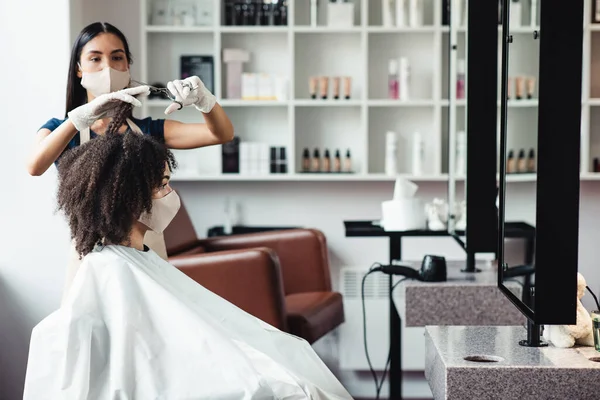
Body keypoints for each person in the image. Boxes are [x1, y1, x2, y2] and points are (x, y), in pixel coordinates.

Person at [22, 129, 352, 400]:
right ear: (129, 196)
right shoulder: (111, 270)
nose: (171, 193)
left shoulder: (133, 258)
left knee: (291, 362)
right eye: (163, 184)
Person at [26, 21, 234, 303]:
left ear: (128, 66)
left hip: (147, 259)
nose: (107, 67)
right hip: (92, 263)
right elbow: (35, 166)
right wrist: (76, 120)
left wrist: (205, 102)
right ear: (78, 68)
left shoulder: (149, 132)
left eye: (117, 57)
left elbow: (219, 134)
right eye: (95, 58)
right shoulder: (59, 130)